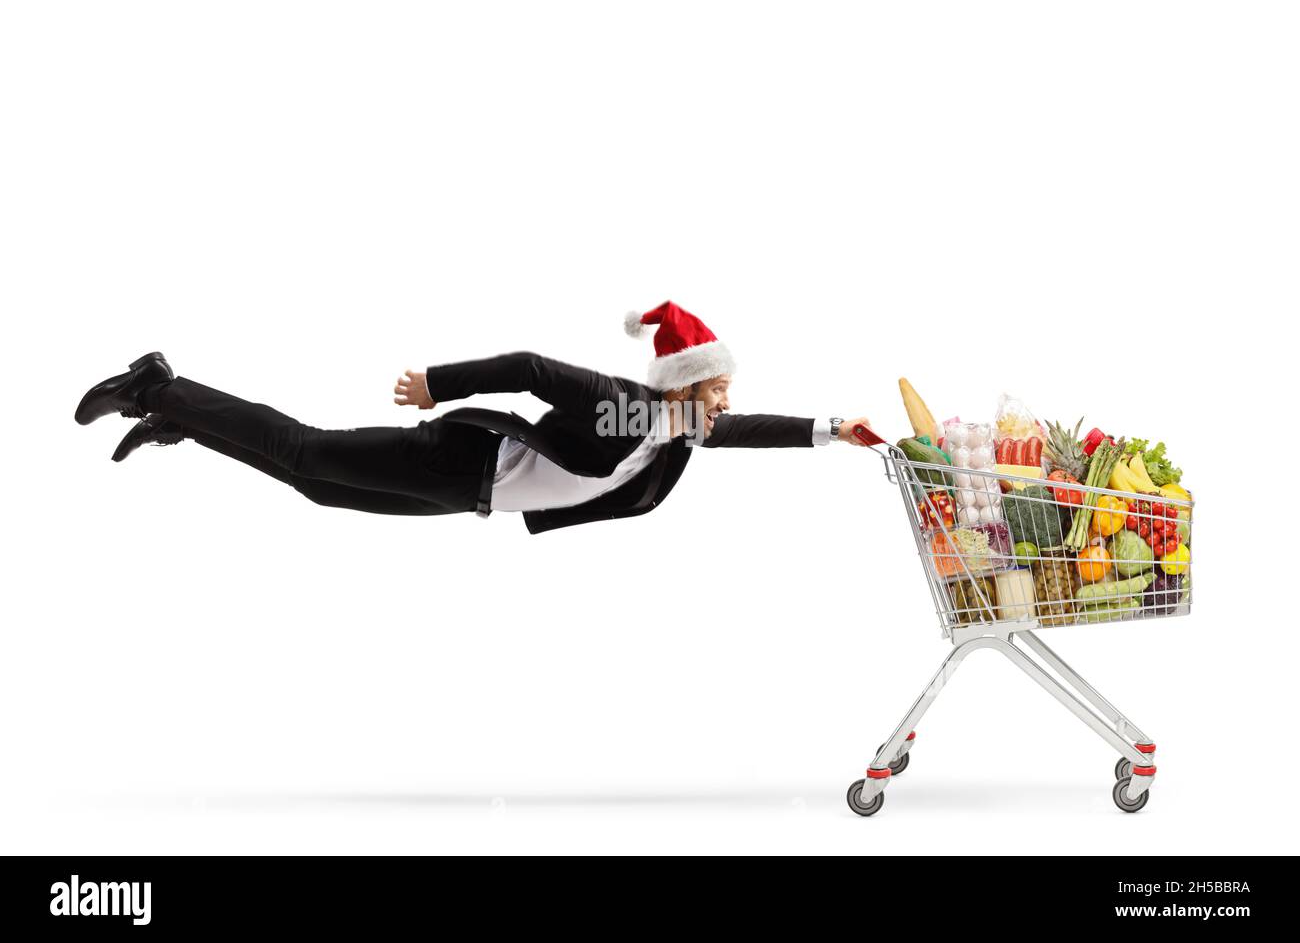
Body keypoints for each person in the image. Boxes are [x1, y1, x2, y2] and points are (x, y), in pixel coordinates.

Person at [73, 301, 874, 534]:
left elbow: (753, 429)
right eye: (720, 390)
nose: (726, 405)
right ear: (685, 386)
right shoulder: (626, 408)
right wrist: (439, 386)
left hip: (473, 497)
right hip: (463, 464)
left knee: (315, 488)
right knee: (308, 451)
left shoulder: (674, 427)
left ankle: (187, 422)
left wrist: (832, 430)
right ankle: (160, 390)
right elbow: (529, 368)